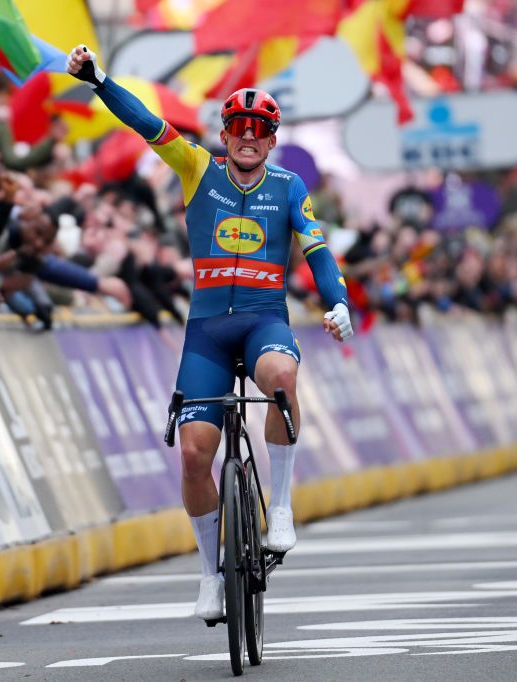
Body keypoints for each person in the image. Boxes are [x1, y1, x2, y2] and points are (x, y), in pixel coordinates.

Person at [67, 45, 353, 620]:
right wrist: (99, 79)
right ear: (225, 135)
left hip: (264, 321)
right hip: (207, 332)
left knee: (280, 379)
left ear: (272, 141)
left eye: (261, 129)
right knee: (196, 455)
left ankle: (281, 507)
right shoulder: (196, 167)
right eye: (239, 127)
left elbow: (318, 251)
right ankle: (208, 574)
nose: (249, 136)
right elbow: (147, 122)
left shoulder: (292, 186)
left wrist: (339, 301)